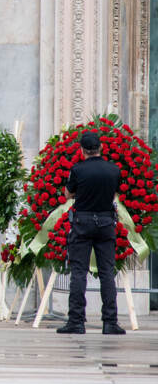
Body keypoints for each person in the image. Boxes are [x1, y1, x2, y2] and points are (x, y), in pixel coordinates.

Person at [57, 131, 126, 335]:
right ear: (101, 148)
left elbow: (68, 193)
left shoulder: (77, 169)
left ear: (82, 150)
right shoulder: (113, 169)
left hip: (82, 221)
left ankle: (76, 321)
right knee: (107, 272)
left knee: (79, 272)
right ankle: (110, 322)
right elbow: (115, 193)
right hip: (106, 222)